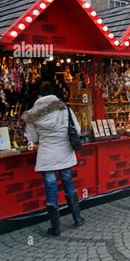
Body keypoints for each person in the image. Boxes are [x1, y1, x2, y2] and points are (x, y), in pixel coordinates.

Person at [21, 82, 84, 236]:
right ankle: (77, 218)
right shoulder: (65, 108)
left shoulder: (31, 114)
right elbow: (77, 129)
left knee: (51, 188)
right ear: (54, 93)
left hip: (47, 155)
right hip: (65, 153)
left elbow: (33, 138)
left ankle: (55, 227)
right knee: (68, 183)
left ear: (39, 96)